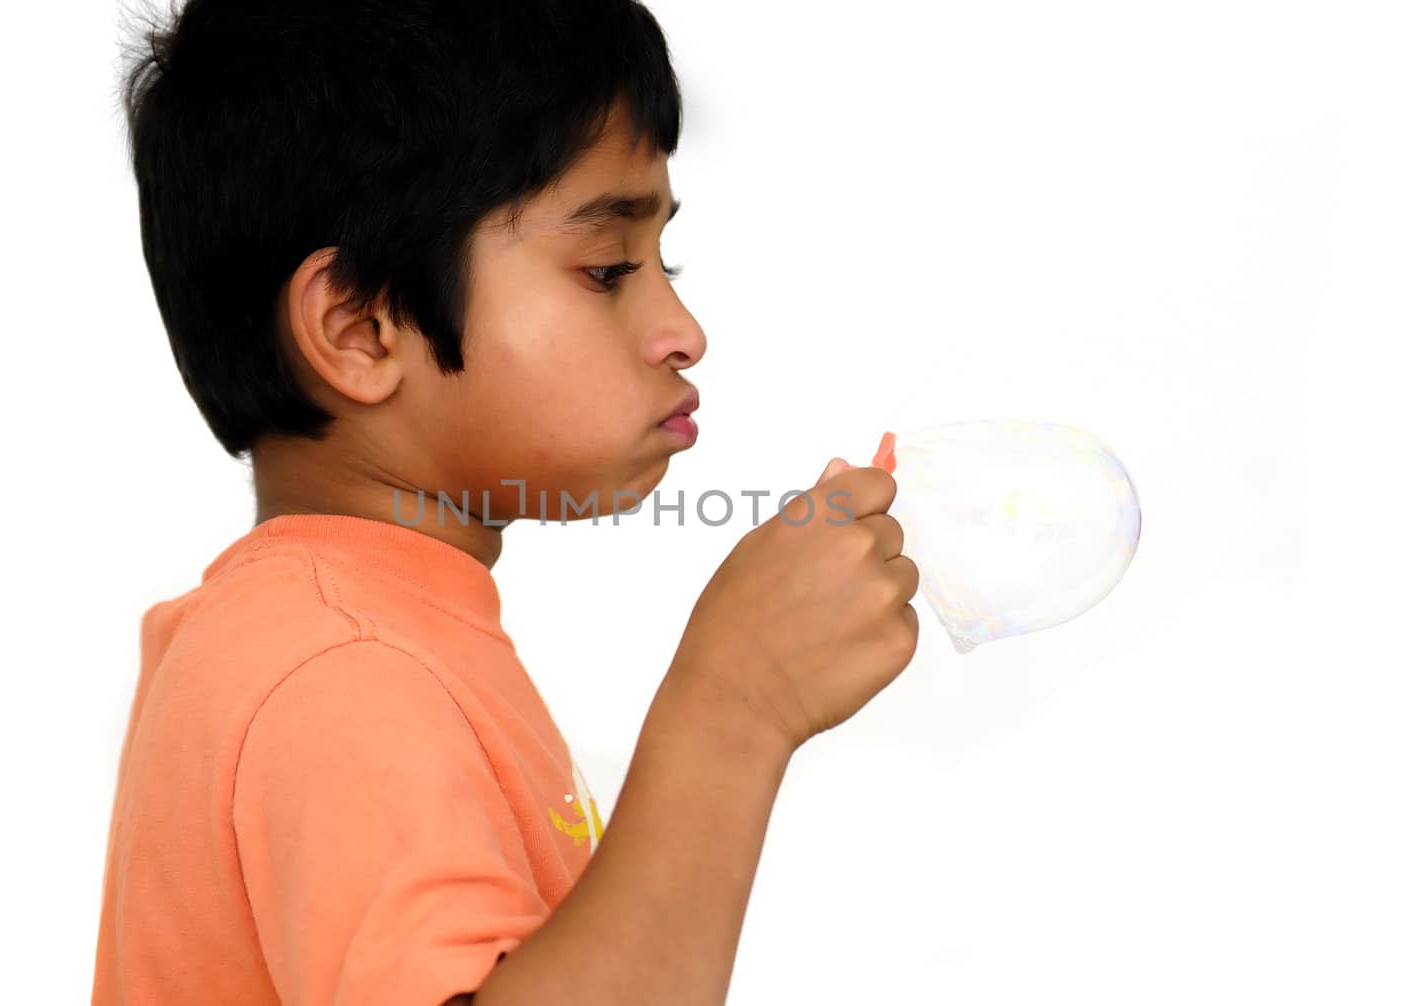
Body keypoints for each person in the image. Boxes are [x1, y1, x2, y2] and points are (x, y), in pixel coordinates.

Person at [93, 2, 920, 1003]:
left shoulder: (348, 633)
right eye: (606, 269)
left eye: (667, 264)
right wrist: (734, 708)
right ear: (360, 329)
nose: (682, 330)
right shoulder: (339, 665)